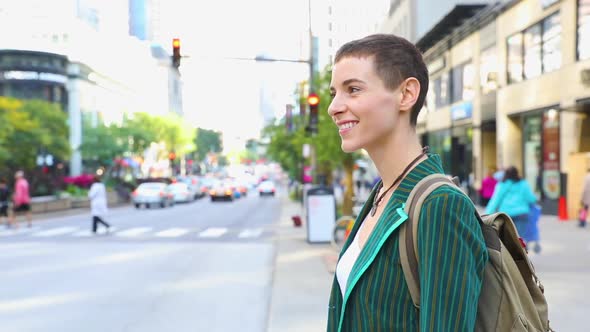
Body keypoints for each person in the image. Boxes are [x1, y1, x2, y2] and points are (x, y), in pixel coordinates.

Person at [326, 34, 488, 331]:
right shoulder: (382, 192)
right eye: (334, 92)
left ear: (406, 94)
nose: (334, 107)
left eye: (353, 90)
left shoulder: (440, 205)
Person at [485, 166, 539, 251]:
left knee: (508, 238)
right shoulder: (523, 184)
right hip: (522, 214)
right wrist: (535, 198)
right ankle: (522, 253)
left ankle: (511, 255)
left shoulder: (502, 185)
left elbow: (495, 200)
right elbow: (530, 198)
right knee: (520, 237)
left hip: (506, 215)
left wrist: (487, 214)